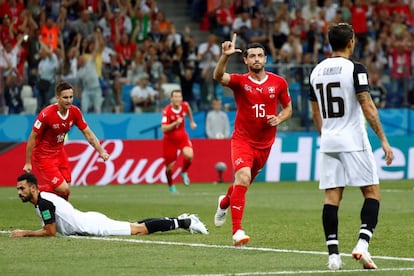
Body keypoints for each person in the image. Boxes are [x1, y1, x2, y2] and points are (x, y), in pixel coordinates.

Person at [309, 23, 394, 271]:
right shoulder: (356, 69)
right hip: (353, 140)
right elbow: (366, 105)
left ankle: (333, 256)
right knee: (372, 193)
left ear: (329, 43)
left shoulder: (316, 71)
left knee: (332, 197)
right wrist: (384, 140)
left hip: (329, 140)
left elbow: (315, 112)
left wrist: (325, 136)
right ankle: (362, 244)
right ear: (351, 42)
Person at [212, 34, 292, 246]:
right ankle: (237, 231)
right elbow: (219, 76)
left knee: (242, 184)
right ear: (245, 60)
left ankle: (224, 202)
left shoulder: (279, 83)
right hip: (242, 141)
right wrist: (224, 57)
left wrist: (279, 118)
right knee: (243, 178)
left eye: (260, 55)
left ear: (265, 59)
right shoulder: (240, 82)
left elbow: (288, 109)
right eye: (252, 56)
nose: (256, 59)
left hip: (264, 145)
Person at [11, 173, 208, 237]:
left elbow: (50, 232)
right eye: (18, 189)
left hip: (92, 226)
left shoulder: (44, 202)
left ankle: (186, 222)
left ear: (34, 188)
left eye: (22, 189)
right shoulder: (42, 198)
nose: (20, 193)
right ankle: (181, 220)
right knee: (135, 226)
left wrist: (24, 232)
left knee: (138, 229)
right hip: (88, 221)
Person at [23, 81, 110, 201]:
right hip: (44, 156)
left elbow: (88, 133)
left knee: (65, 192)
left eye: (71, 97)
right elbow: (32, 138)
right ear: (57, 98)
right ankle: (31, 189)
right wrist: (28, 162)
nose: (69, 100)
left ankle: (58, 217)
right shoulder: (46, 115)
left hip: (59, 152)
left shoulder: (75, 112)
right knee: (63, 189)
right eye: (65, 97)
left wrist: (101, 152)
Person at [161, 89, 197, 193]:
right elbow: (163, 129)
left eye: (179, 97)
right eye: (175, 97)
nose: (177, 99)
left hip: (182, 137)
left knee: (189, 156)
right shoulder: (167, 111)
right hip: (170, 141)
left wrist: (191, 121)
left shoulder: (184, 106)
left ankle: (184, 172)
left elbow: (188, 108)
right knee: (169, 167)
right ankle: (171, 185)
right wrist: (175, 123)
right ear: (171, 99)